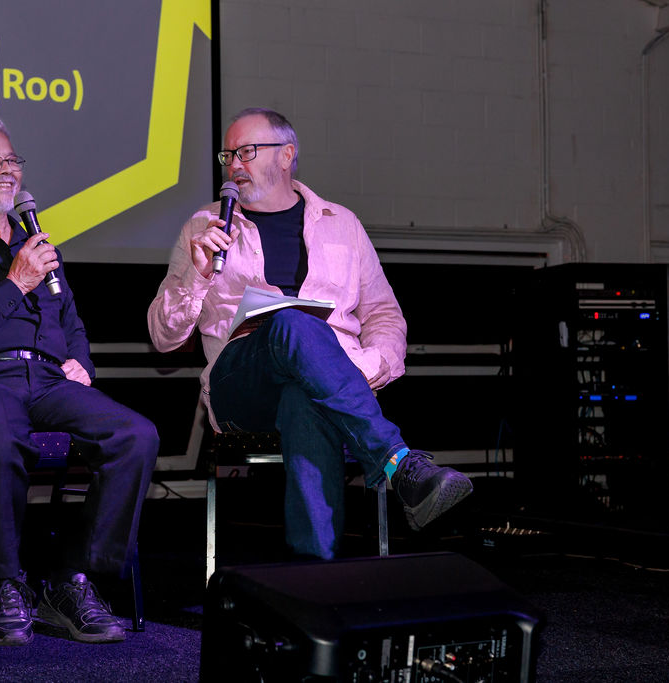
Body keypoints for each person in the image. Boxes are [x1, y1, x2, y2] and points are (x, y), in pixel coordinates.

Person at [148, 107, 472, 561]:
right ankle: (399, 463)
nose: (234, 164)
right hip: (240, 383)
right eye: (228, 155)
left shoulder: (342, 224)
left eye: (246, 152)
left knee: (304, 398)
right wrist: (197, 275)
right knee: (292, 322)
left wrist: (368, 365)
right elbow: (162, 336)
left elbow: (383, 314)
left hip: (324, 384)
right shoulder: (204, 226)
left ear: (286, 156)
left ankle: (315, 573)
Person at [0, 116, 158, 646]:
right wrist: (15, 282)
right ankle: (3, 582)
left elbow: (71, 323)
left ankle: (71, 580)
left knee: (135, 434)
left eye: (12, 160)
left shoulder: (38, 246)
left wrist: (81, 363)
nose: (7, 170)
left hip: (46, 380)